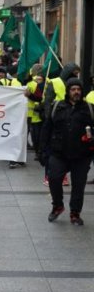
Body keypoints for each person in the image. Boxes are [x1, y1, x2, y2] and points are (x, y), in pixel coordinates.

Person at [40, 78, 94, 225]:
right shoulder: (57, 106)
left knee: (78, 185)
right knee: (54, 179)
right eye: (73, 89)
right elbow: (47, 129)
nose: (76, 92)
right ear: (68, 91)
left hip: (82, 155)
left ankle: (75, 213)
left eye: (78, 89)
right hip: (59, 153)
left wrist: (91, 139)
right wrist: (42, 151)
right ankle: (57, 206)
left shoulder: (89, 108)